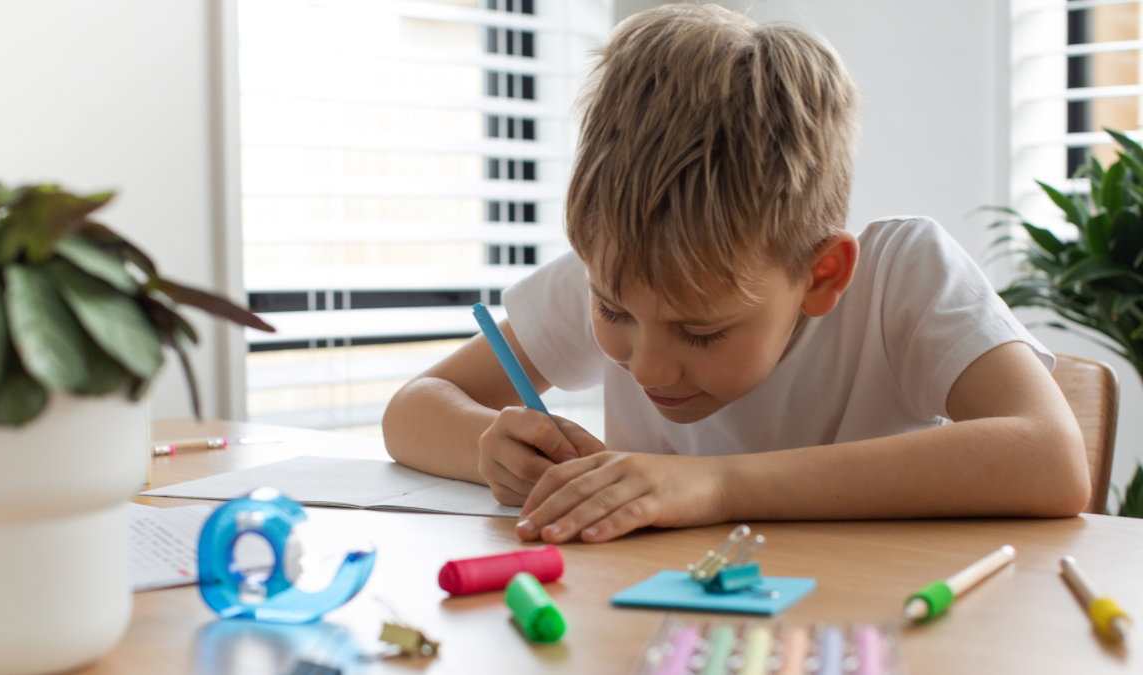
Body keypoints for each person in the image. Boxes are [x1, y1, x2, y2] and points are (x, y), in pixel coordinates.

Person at [381, 4, 1090, 545]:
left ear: (822, 274)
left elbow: (1053, 459)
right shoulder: (617, 266)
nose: (647, 363)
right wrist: (493, 450)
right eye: (614, 312)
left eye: (701, 329)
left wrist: (715, 486)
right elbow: (412, 409)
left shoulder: (903, 277)